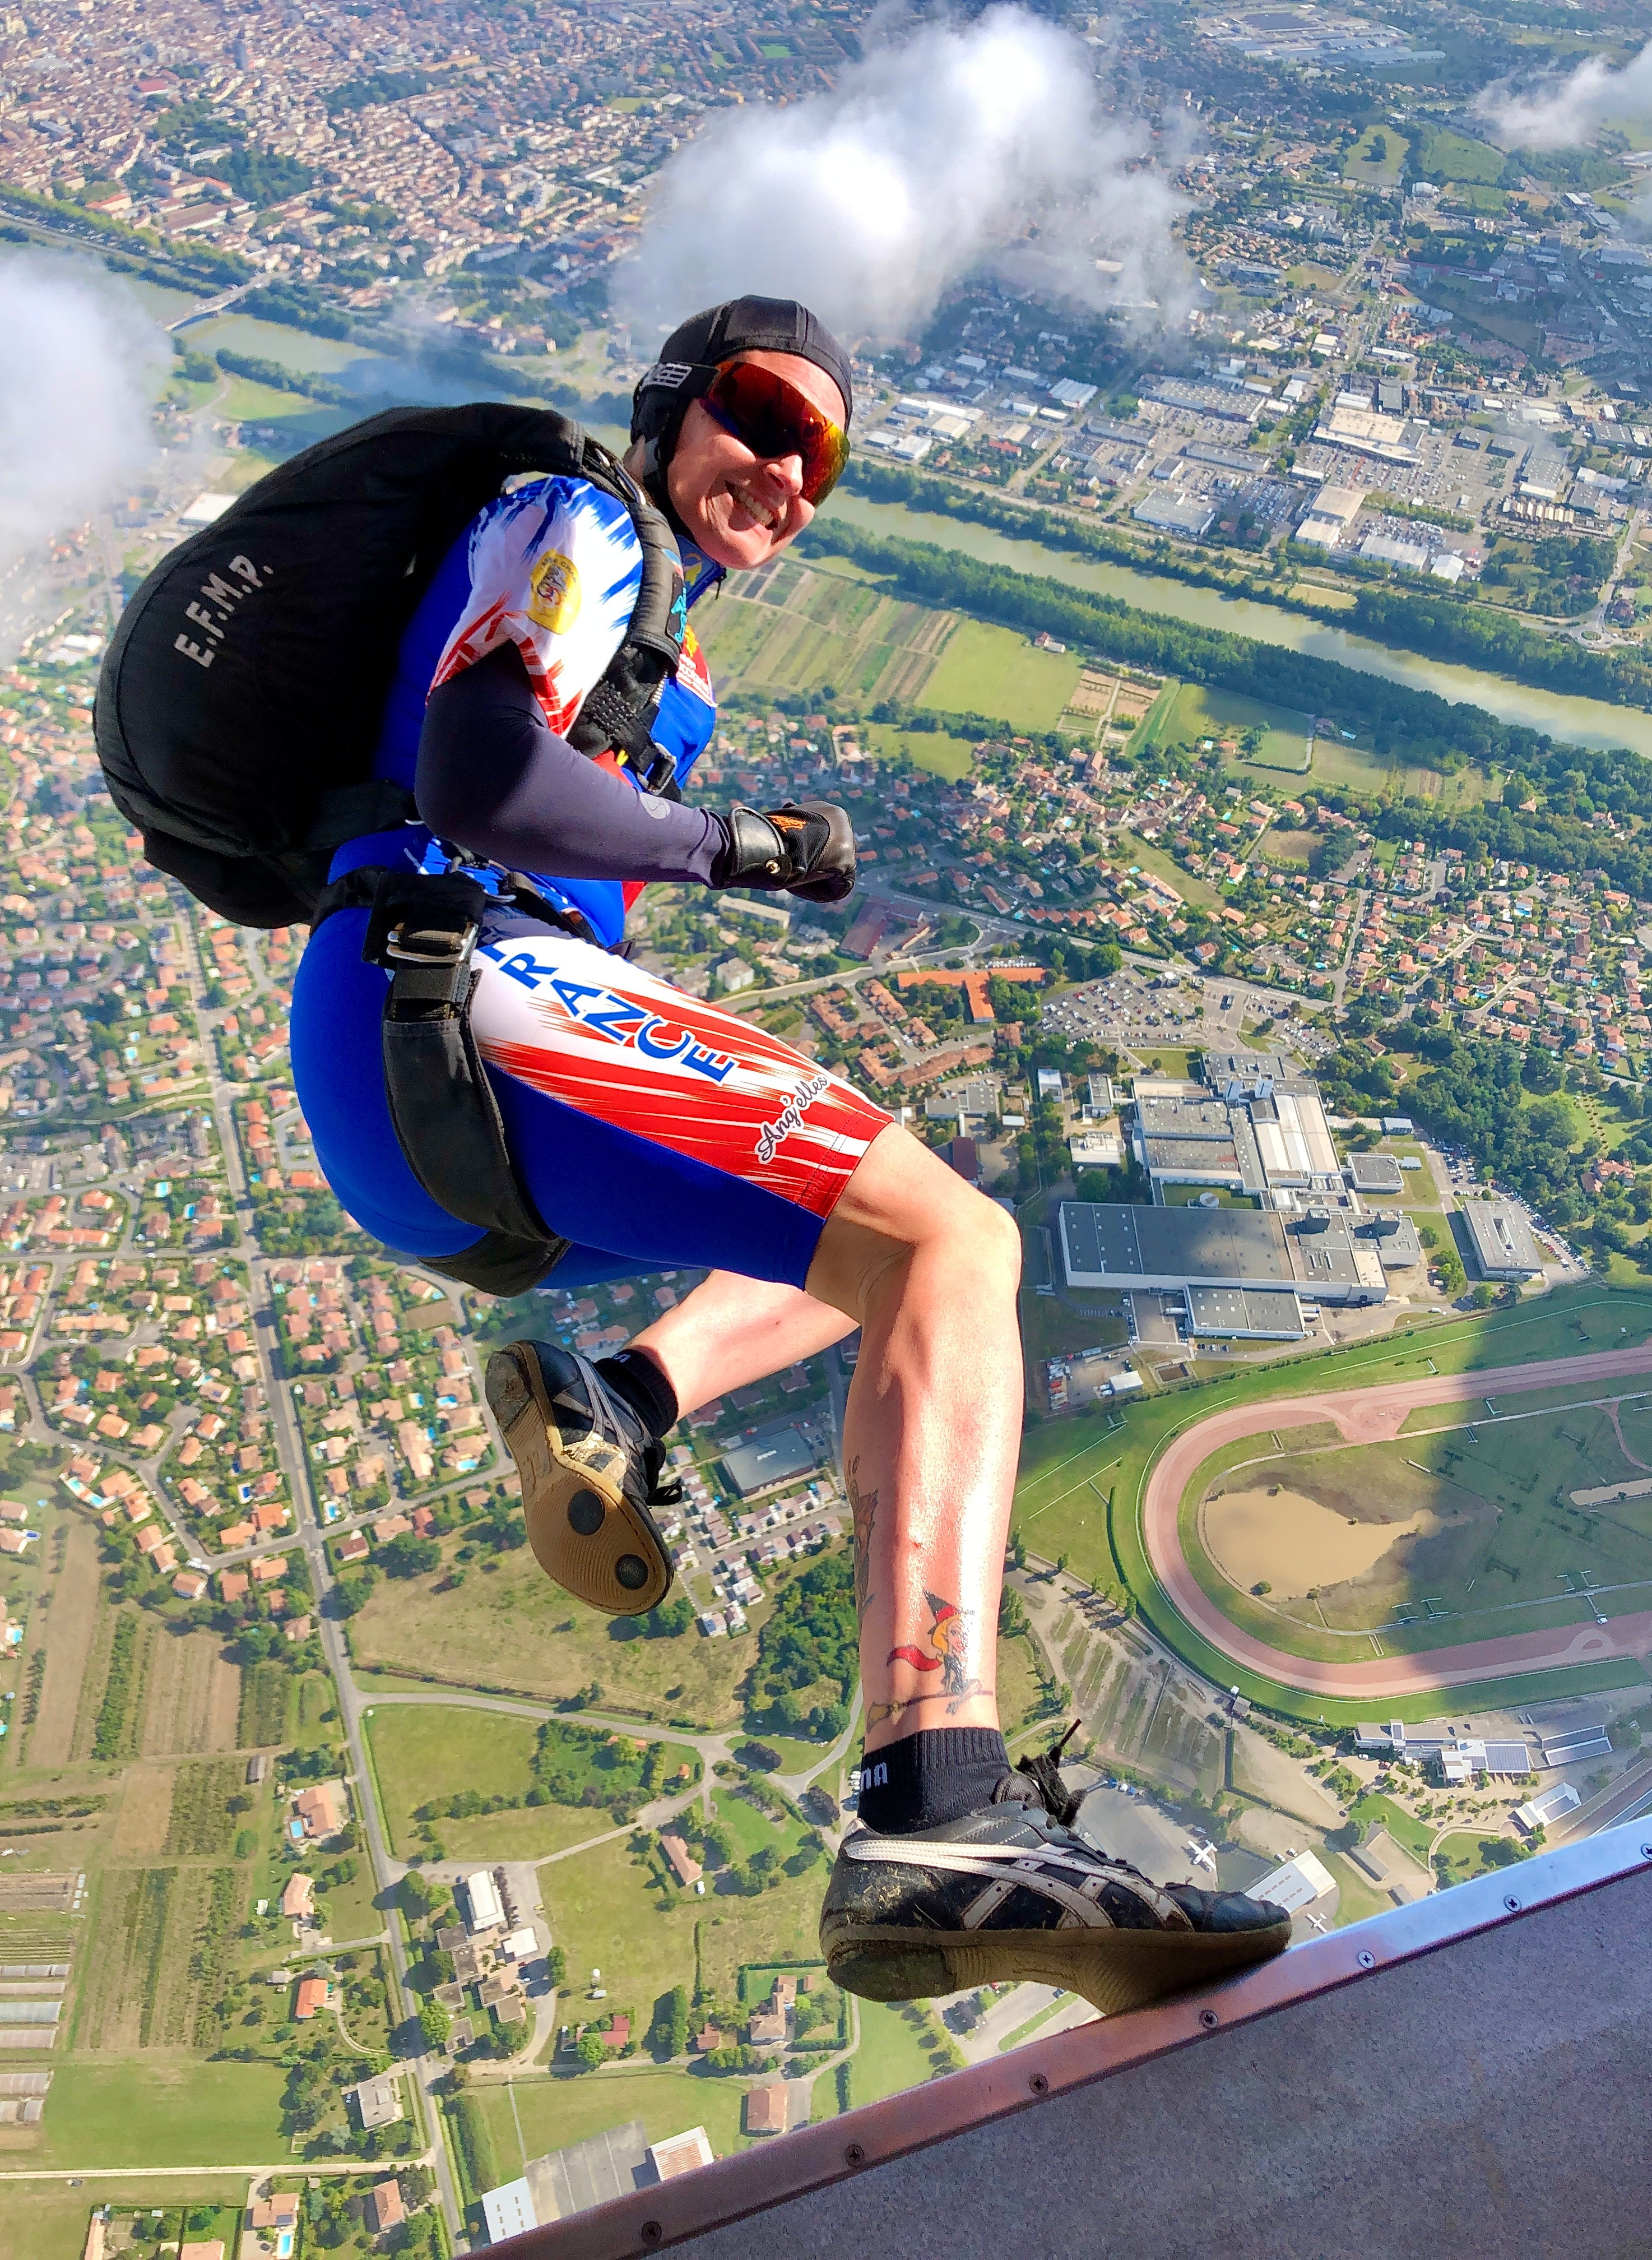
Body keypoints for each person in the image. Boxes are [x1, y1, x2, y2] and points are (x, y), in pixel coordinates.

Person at [289, 296, 1289, 2014]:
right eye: (757, 412)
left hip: (425, 1101)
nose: (783, 466)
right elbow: (476, 778)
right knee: (958, 1250)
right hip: (455, 992)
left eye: (819, 452)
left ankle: (623, 1400)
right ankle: (939, 1807)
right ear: (673, 409)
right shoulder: (586, 521)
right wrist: (735, 847)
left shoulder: (660, 640)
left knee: (893, 1254)